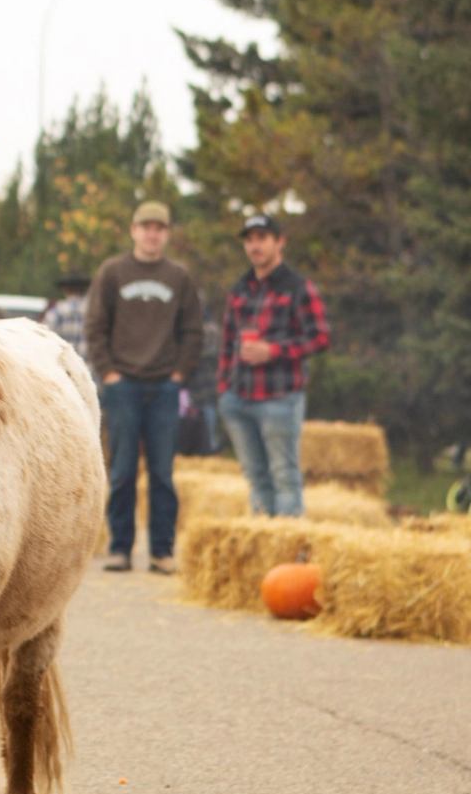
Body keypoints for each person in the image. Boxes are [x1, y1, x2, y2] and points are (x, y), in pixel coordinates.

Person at [84, 201, 205, 575]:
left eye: (159, 228)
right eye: (146, 227)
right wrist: (108, 372)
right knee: (121, 470)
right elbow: (95, 326)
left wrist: (180, 374)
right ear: (134, 230)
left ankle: (161, 551)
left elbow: (193, 331)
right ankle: (120, 548)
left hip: (164, 388)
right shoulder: (113, 272)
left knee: (163, 474)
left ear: (166, 234)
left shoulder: (178, 277)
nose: (152, 234)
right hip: (123, 385)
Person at [216, 214, 329, 517]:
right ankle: (265, 541)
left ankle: (287, 549)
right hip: (239, 396)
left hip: (280, 396)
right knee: (256, 478)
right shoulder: (240, 288)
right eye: (249, 239)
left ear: (280, 242)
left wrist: (274, 350)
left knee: (284, 476)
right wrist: (224, 389)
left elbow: (320, 338)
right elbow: (227, 342)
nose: (255, 246)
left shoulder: (298, 287)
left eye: (262, 238)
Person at [42, 272, 91, 366]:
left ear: (65, 289)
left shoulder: (57, 312)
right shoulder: (94, 311)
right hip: (88, 369)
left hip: (64, 367)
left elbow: (44, 338)